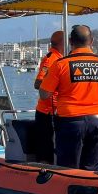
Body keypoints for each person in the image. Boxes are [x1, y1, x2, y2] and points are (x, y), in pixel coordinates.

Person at [39, 25, 98, 171]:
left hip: (70, 122)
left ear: (70, 41)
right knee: (94, 171)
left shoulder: (60, 64)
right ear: (91, 41)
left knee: (68, 170)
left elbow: (44, 94)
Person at [32, 30, 65, 163]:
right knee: (45, 150)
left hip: (58, 111)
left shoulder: (61, 58)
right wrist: (58, 85)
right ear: (62, 43)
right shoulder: (51, 59)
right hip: (47, 112)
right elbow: (38, 83)